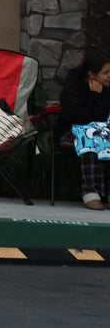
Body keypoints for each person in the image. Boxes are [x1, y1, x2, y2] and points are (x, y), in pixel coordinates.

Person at [57, 49, 110, 209]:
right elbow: (80, 119)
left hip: (99, 129)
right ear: (92, 75)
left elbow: (103, 116)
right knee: (89, 136)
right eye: (106, 72)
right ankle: (91, 191)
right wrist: (95, 95)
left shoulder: (107, 87)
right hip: (71, 130)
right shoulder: (73, 88)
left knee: (98, 135)